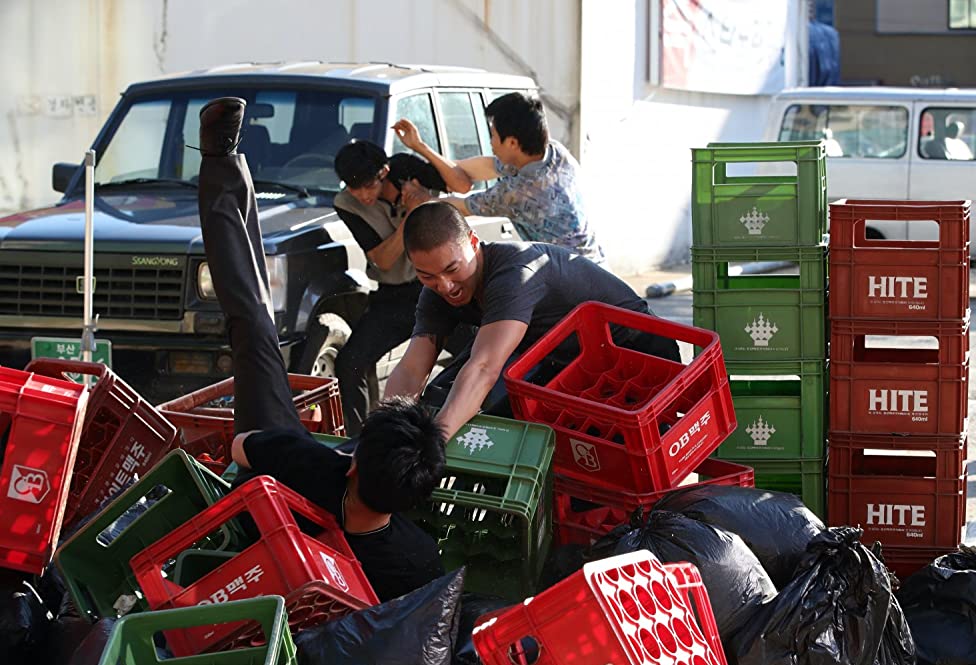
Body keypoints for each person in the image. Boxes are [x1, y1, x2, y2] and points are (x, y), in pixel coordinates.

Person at [196, 97, 446, 602]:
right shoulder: (418, 561)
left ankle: (221, 161)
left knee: (255, 329)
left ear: (352, 460)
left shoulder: (312, 465)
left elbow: (242, 448)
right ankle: (223, 162)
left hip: (260, 528)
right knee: (259, 331)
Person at [383, 201, 680, 440]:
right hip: (568, 362)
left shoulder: (515, 274)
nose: (445, 286)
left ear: (473, 242)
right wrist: (384, 431)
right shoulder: (437, 292)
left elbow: (484, 368)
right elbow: (411, 369)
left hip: (637, 357)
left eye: (452, 269)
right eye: (427, 275)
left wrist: (434, 442)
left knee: (480, 413)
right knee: (441, 400)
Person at [392, 92, 605, 264]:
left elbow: (461, 206)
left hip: (575, 283)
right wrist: (422, 149)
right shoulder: (555, 153)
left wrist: (421, 199)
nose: (491, 142)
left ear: (512, 143)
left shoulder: (519, 193)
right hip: (596, 266)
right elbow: (482, 167)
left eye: (493, 135)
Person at [331, 141, 446, 436]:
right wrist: (410, 216)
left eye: (368, 186)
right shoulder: (346, 203)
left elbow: (461, 183)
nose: (362, 195)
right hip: (394, 297)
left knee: (477, 358)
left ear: (384, 172)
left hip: (438, 290)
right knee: (350, 363)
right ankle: (359, 442)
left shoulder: (407, 169)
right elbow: (382, 259)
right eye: (354, 188)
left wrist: (420, 146)